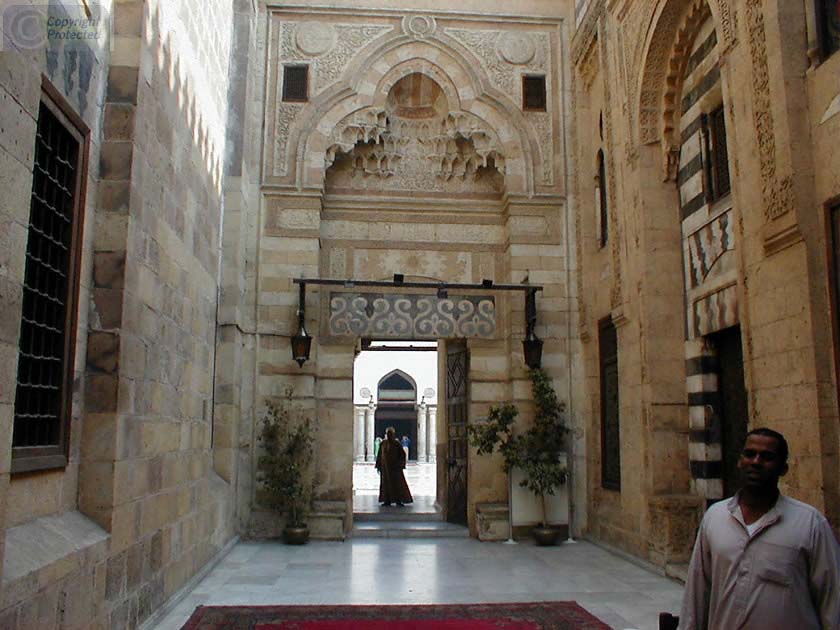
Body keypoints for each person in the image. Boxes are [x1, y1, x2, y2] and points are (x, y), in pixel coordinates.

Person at [680, 427, 840, 629]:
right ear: (740, 461)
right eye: (749, 454)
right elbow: (697, 592)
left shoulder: (810, 524)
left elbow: (832, 601)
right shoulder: (715, 517)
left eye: (767, 457)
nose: (756, 462)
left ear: (783, 468)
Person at [375, 427, 413, 507]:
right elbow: (379, 455)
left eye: (390, 434)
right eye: (388, 433)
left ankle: (398, 500)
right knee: (385, 485)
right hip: (385, 469)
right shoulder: (383, 444)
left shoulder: (397, 444)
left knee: (398, 485)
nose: (389, 435)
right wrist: (378, 465)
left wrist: (400, 465)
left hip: (395, 469)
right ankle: (387, 500)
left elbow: (402, 455)